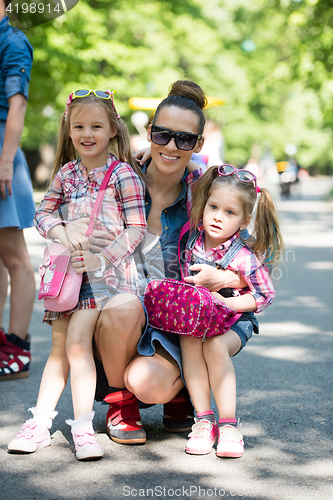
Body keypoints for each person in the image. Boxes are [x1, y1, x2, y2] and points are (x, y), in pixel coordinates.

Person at [92, 81, 246, 445]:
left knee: (149, 381)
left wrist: (221, 276)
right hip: (125, 317)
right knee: (124, 306)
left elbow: (253, 266)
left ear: (199, 146)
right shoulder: (119, 182)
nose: (172, 146)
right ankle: (121, 404)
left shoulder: (207, 194)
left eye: (185, 140)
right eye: (163, 135)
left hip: (184, 324)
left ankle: (180, 394)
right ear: (150, 134)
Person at [8, 89, 147, 461]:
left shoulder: (122, 175)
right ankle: (39, 422)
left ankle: (83, 426)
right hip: (66, 277)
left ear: (113, 131)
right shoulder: (66, 174)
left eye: (97, 126)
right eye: (79, 126)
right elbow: (43, 214)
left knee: (76, 345)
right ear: (69, 131)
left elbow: (136, 228)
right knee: (58, 350)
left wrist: (103, 261)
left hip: (104, 279)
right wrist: (61, 231)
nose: (87, 133)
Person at [180, 164, 283, 458]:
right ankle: (204, 420)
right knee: (188, 341)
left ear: (244, 219)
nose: (217, 216)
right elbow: (195, 175)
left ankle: (228, 424)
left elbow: (264, 295)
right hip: (199, 318)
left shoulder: (242, 254)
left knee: (213, 346)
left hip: (236, 321)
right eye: (213, 207)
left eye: (229, 212)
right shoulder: (194, 239)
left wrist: (227, 303)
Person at [0, 0, 35, 381]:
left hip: (1, 151)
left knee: (15, 257)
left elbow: (18, 104)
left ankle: (18, 348)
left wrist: (6, 160)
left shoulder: (12, 40)